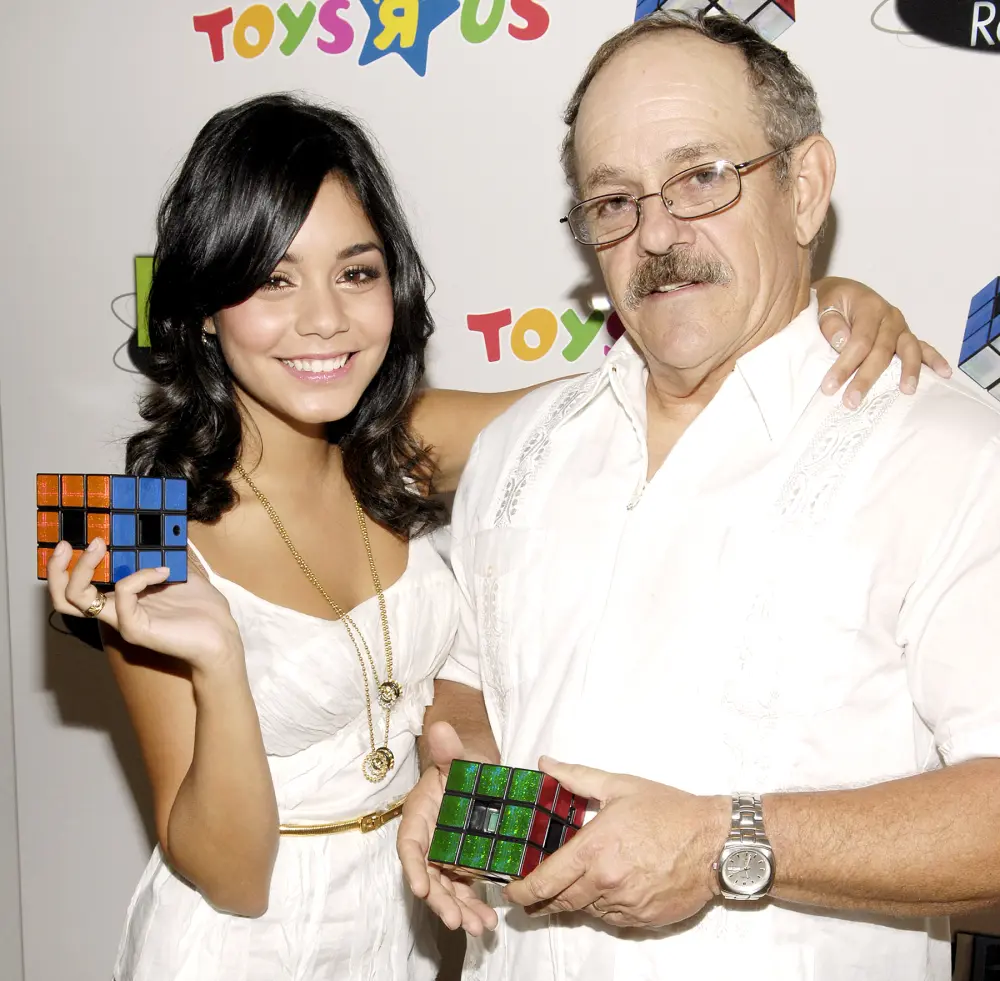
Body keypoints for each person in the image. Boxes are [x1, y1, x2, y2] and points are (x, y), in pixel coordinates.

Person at [46, 93, 940, 981]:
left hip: (406, 932)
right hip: (235, 949)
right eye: (274, 280)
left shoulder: (400, 444)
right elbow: (230, 878)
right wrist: (219, 662)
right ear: (205, 303)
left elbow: (628, 402)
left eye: (355, 273)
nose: (323, 318)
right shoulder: (128, 522)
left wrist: (817, 306)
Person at [399, 11, 1000, 981]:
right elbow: (472, 689)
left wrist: (730, 843)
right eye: (614, 200)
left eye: (702, 177)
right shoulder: (518, 451)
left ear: (804, 188)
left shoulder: (945, 453)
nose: (657, 234)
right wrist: (458, 780)